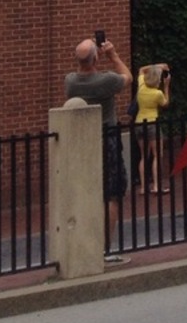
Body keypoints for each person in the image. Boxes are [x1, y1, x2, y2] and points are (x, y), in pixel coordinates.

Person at [64, 35, 132, 246]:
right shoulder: (106, 81)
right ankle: (105, 247)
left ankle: (86, 243)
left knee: (87, 191)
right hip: (107, 139)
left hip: (82, 142)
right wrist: (113, 55)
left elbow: (82, 68)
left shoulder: (70, 82)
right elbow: (127, 77)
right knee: (111, 194)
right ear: (95, 60)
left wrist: (89, 50)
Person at [135, 62, 170, 193]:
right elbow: (165, 104)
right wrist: (167, 87)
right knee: (157, 155)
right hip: (152, 123)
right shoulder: (157, 93)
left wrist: (158, 66)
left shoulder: (141, 86)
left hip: (139, 122)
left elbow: (141, 69)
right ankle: (156, 186)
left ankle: (143, 187)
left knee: (144, 156)